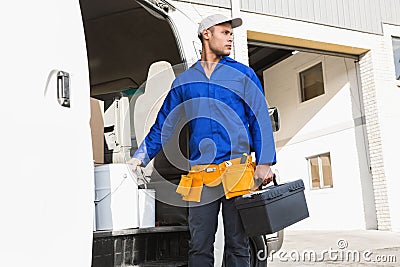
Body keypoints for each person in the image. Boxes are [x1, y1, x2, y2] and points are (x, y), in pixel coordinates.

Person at [128, 14, 276, 267]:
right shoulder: (184, 81)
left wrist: (264, 162)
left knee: (238, 244)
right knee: (198, 245)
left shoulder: (243, 75)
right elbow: (165, 125)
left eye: (231, 33)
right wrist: (141, 156)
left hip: (237, 170)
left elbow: (259, 118)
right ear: (206, 34)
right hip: (200, 174)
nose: (231, 37)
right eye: (224, 32)